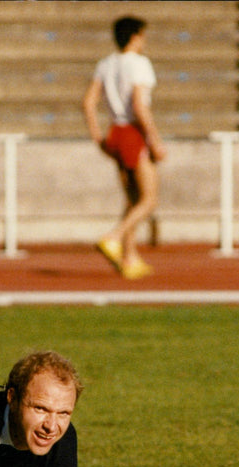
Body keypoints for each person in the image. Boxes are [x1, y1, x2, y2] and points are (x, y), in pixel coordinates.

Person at [82, 15, 167, 280]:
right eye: (142, 36)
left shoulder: (106, 64)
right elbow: (140, 106)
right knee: (149, 199)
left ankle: (129, 259)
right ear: (134, 37)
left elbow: (88, 103)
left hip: (114, 132)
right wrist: (154, 138)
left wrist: (98, 138)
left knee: (131, 199)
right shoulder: (140, 64)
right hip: (132, 131)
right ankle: (114, 237)